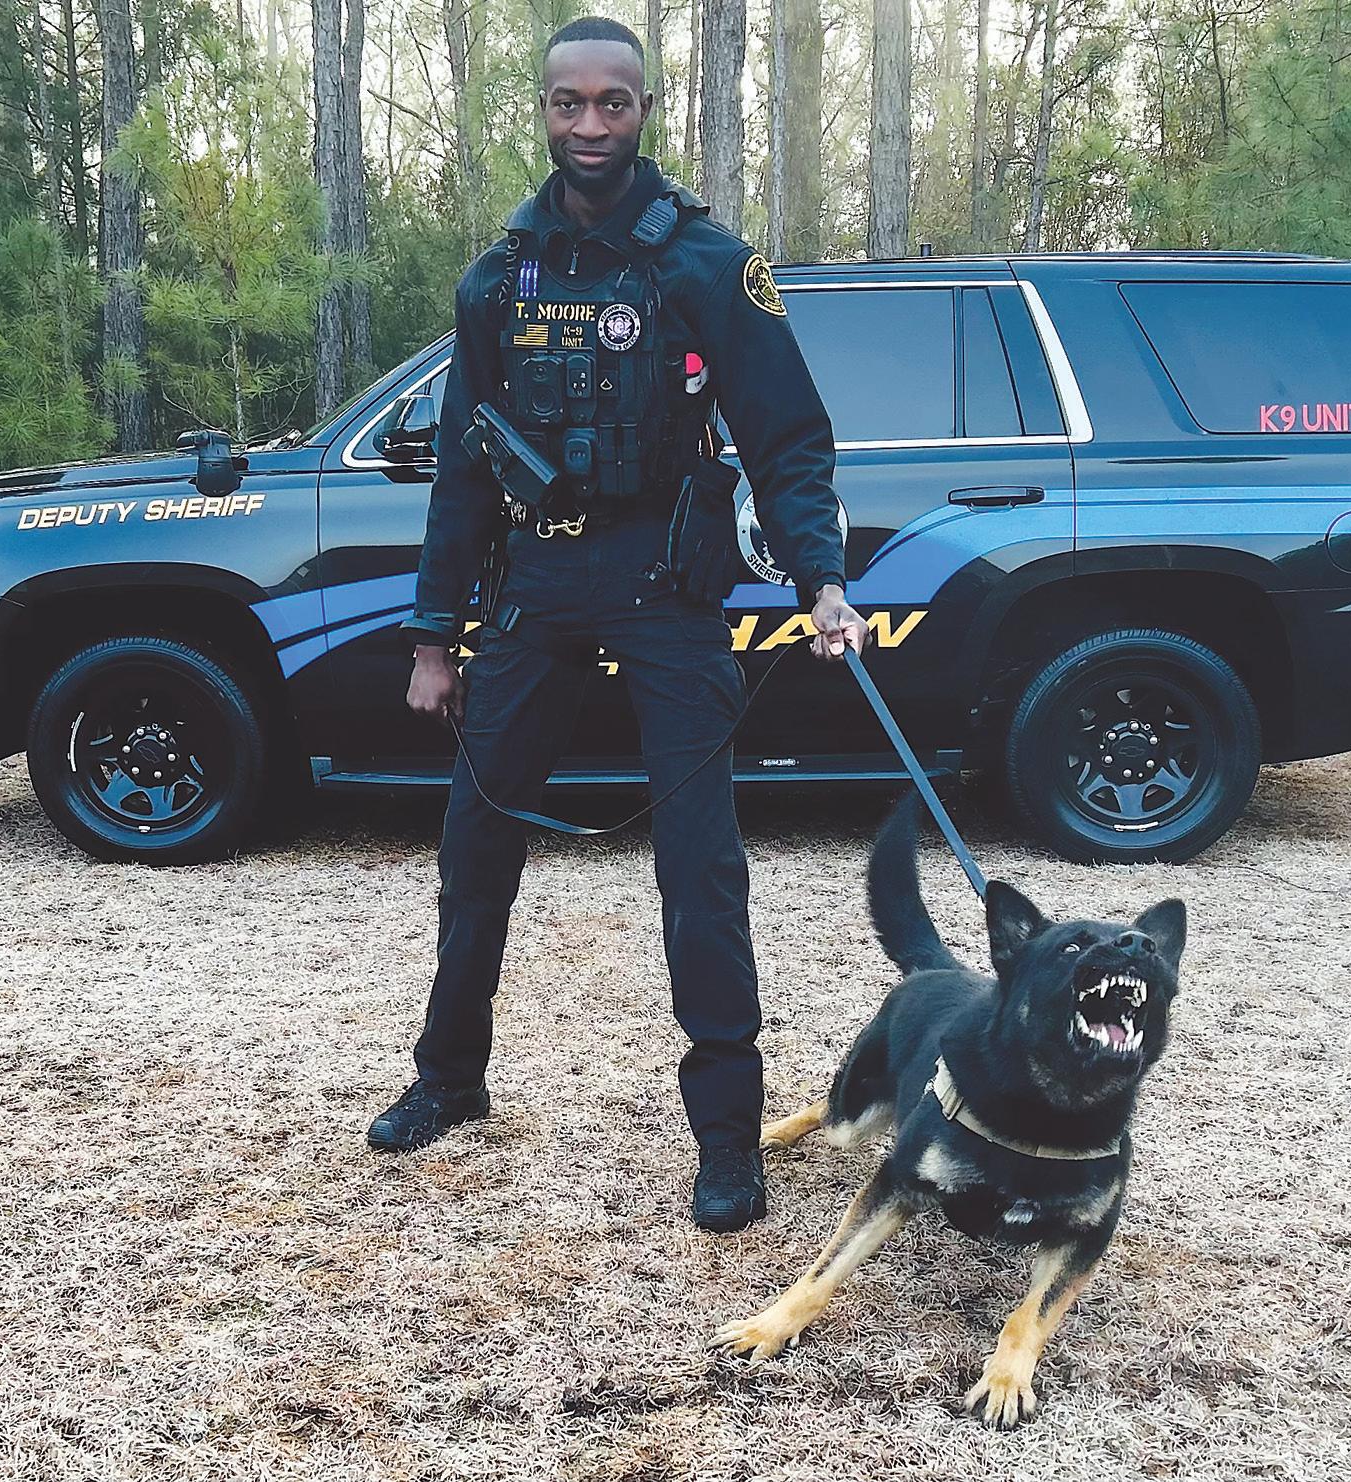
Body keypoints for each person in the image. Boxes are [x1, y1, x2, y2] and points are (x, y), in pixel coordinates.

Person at [368, 15, 867, 1234]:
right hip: (535, 585)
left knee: (700, 865)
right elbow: (464, 472)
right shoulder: (498, 279)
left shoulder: (706, 265)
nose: (590, 124)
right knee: (475, 845)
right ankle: (450, 1079)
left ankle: (727, 1136)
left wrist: (822, 578)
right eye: (568, 103)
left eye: (613, 103)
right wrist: (434, 637)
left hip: (665, 585)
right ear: (542, 111)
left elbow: (789, 439)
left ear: (647, 109)